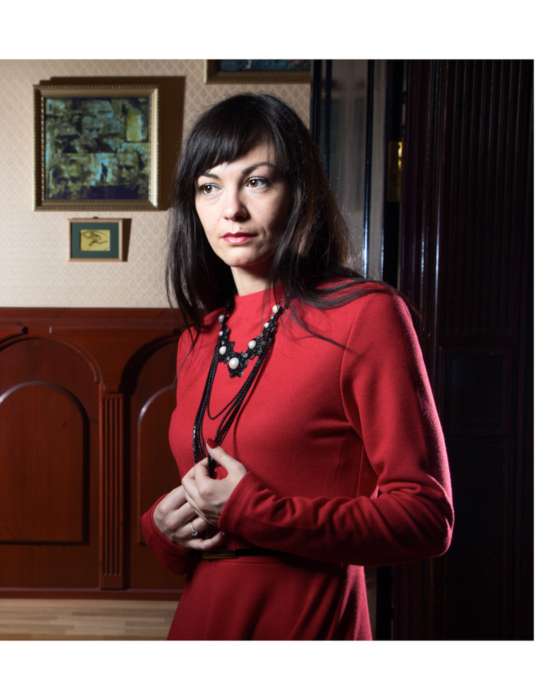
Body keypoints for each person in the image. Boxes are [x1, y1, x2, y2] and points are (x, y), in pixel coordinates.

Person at [140, 93, 454, 640]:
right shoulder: (198, 337)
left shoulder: (365, 316)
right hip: (202, 617)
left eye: (256, 181)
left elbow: (426, 519)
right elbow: (206, 509)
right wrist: (163, 528)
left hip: (307, 619)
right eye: (209, 187)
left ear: (299, 191)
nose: (230, 209)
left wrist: (255, 511)